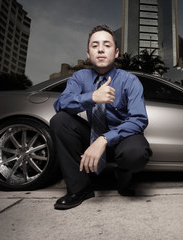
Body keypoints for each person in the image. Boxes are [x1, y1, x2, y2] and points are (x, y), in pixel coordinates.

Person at [50, 25, 151, 210]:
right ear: (88, 53)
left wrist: (105, 139)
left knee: (136, 151)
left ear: (117, 52)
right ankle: (80, 188)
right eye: (95, 45)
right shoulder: (79, 78)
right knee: (60, 121)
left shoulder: (130, 81)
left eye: (107, 45)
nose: (101, 49)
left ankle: (123, 175)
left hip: (121, 139)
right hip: (91, 136)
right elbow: (60, 104)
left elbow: (139, 120)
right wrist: (91, 98)